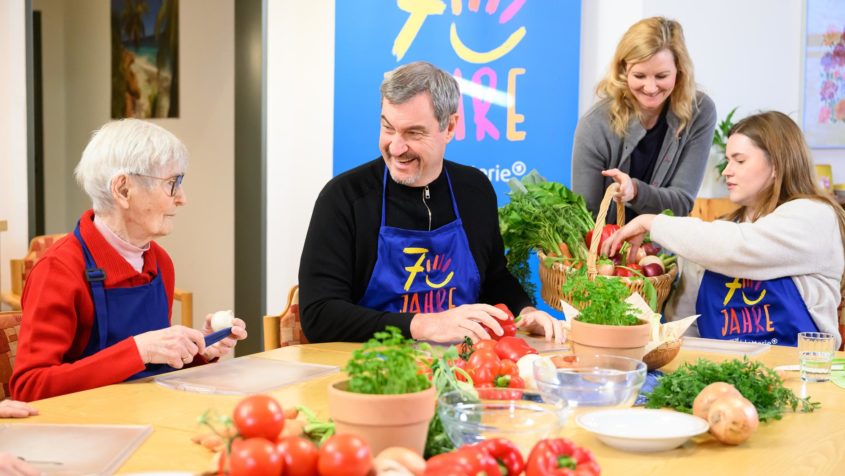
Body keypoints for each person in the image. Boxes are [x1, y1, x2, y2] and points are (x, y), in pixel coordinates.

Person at [299, 61, 564, 344]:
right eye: (388, 128)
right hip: (373, 370)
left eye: (414, 133)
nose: (396, 148)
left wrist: (524, 311)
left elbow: (494, 279)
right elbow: (319, 315)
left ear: (449, 127)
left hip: (464, 367)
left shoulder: (474, 190)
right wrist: (422, 325)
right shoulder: (344, 198)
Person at [11, 119, 247, 401]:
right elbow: (30, 387)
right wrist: (139, 349)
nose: (182, 198)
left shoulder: (160, 262)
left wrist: (199, 351)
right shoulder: (58, 269)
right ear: (123, 190)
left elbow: (151, 370)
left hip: (149, 417)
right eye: (172, 183)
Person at [603, 111, 845, 349]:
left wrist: (651, 223)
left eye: (739, 160)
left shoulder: (814, 216)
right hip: (721, 374)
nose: (726, 171)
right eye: (728, 160)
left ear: (776, 165)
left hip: (798, 378)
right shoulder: (713, 238)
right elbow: (685, 321)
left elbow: (741, 247)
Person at [572, 16, 717, 221]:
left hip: (660, 251)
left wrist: (636, 192)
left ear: (680, 70)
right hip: (606, 249)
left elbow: (681, 203)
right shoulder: (594, 124)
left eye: (661, 76)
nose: (650, 88)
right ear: (623, 71)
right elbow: (585, 216)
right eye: (639, 76)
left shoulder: (700, 112)